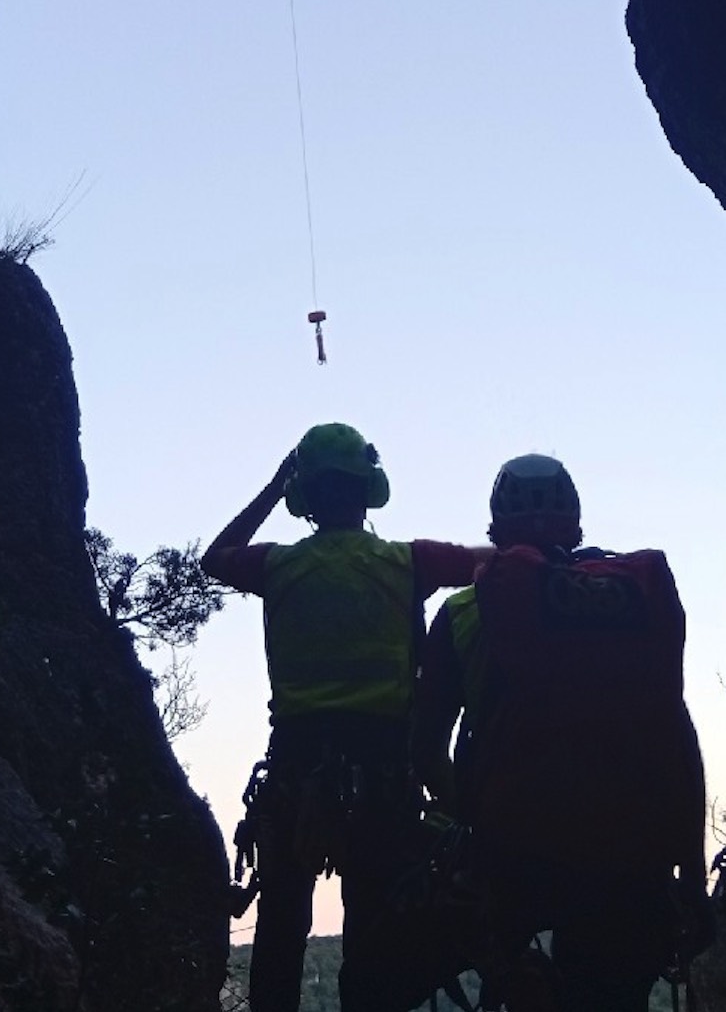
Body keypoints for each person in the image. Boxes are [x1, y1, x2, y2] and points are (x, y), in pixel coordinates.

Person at [411, 453, 712, 1010]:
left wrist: (474, 824)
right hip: (634, 852)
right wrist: (691, 874)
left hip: (518, 853)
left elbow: (425, 749)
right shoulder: (632, 598)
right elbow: (677, 735)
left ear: (495, 529)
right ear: (576, 526)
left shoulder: (462, 613)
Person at [200, 423, 483, 1012]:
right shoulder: (408, 562)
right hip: (383, 775)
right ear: (366, 490)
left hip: (297, 771)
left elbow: (215, 558)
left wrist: (273, 489)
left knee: (281, 931)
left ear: (305, 499)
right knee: (374, 939)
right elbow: (493, 565)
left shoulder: (277, 566)